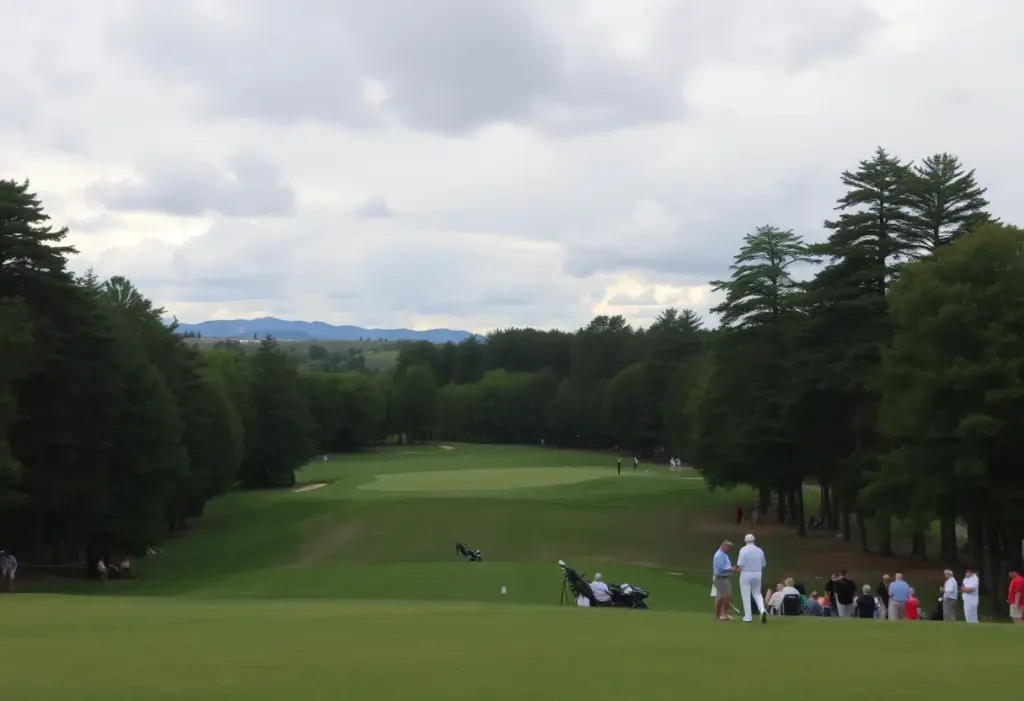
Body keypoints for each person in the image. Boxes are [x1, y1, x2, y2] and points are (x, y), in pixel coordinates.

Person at [736, 533, 768, 623]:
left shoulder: (743, 550)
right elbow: (763, 564)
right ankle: (762, 610)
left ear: (745, 541)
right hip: (758, 573)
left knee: (746, 595)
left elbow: (740, 564)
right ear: (754, 540)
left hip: (746, 573)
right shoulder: (759, 551)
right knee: (757, 593)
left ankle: (748, 617)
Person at [712, 540, 737, 621]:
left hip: (724, 578)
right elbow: (719, 569)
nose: (729, 549)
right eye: (728, 547)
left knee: (724, 596)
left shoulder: (723, 554)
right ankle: (721, 615)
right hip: (721, 578)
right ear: (724, 546)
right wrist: (731, 569)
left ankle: (722, 614)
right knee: (724, 596)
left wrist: (731, 569)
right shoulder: (719, 555)